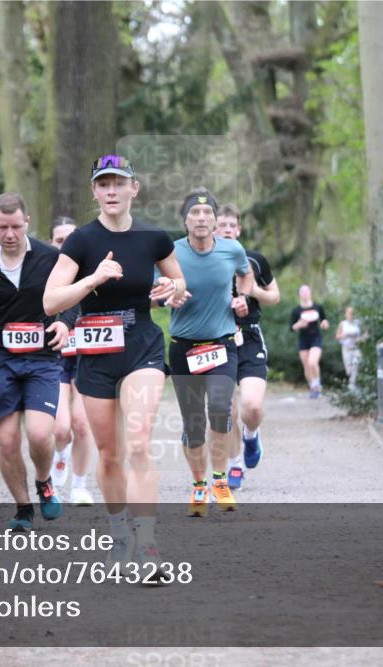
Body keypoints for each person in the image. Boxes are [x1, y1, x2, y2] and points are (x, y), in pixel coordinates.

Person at [43, 154, 186, 578]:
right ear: (94, 191)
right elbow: (51, 301)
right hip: (97, 354)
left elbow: (178, 282)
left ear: (133, 189)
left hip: (142, 345)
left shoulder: (154, 238)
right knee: (109, 454)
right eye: (103, 184)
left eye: (118, 183)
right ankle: (119, 534)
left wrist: (171, 288)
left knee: (139, 443)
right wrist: (92, 279)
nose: (111, 191)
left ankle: (147, 545)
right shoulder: (81, 242)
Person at [0, 193, 77, 531]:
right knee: (7, 441)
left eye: (16, 227)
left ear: (27, 224)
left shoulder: (51, 258)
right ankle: (23, 509)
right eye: (2, 227)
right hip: (0, 360)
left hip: (42, 360)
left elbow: (75, 296)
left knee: (39, 435)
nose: (9, 234)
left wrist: (65, 321)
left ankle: (44, 481)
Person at [160, 189, 253, 517]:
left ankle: (219, 480)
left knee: (219, 408)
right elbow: (154, 292)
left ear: (215, 220)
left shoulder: (232, 249)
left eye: (207, 214)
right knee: (193, 424)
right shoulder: (170, 253)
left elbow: (246, 273)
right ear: (184, 219)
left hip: (222, 345)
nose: (201, 219)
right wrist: (166, 297)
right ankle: (199, 484)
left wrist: (243, 298)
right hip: (184, 347)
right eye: (194, 214)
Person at [213, 204, 280, 490]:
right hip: (217, 338)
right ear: (214, 229)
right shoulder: (205, 261)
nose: (227, 229)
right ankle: (235, 464)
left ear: (239, 229)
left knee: (251, 406)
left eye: (232, 225)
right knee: (225, 408)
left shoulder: (255, 260)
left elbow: (274, 297)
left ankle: (251, 435)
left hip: (249, 337)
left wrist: (254, 292)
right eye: (222, 225)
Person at [49, 217, 94, 506]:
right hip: (54, 358)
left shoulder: (93, 273)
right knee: (61, 429)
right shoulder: (44, 275)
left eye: (70, 239)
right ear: (51, 243)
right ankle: (61, 453)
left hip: (88, 357)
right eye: (58, 241)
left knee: (82, 424)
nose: (65, 246)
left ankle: (79, 486)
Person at [291, 285, 329, 398]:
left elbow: (324, 321)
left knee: (312, 362)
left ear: (310, 293)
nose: (305, 294)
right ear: (299, 294)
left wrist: (325, 324)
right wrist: (299, 324)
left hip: (316, 338)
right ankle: (313, 388)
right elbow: (292, 327)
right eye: (302, 292)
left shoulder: (318, 307)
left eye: (307, 291)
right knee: (306, 366)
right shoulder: (296, 310)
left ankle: (318, 385)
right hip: (303, 340)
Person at [336, 305, 364, 390]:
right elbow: (337, 336)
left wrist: (361, 339)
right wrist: (345, 335)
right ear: (346, 314)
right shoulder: (342, 324)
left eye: (352, 313)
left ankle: (352, 386)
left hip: (356, 348)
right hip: (346, 349)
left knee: (356, 363)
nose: (351, 315)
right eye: (349, 313)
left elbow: (366, 333)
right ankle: (352, 383)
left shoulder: (358, 323)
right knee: (349, 370)